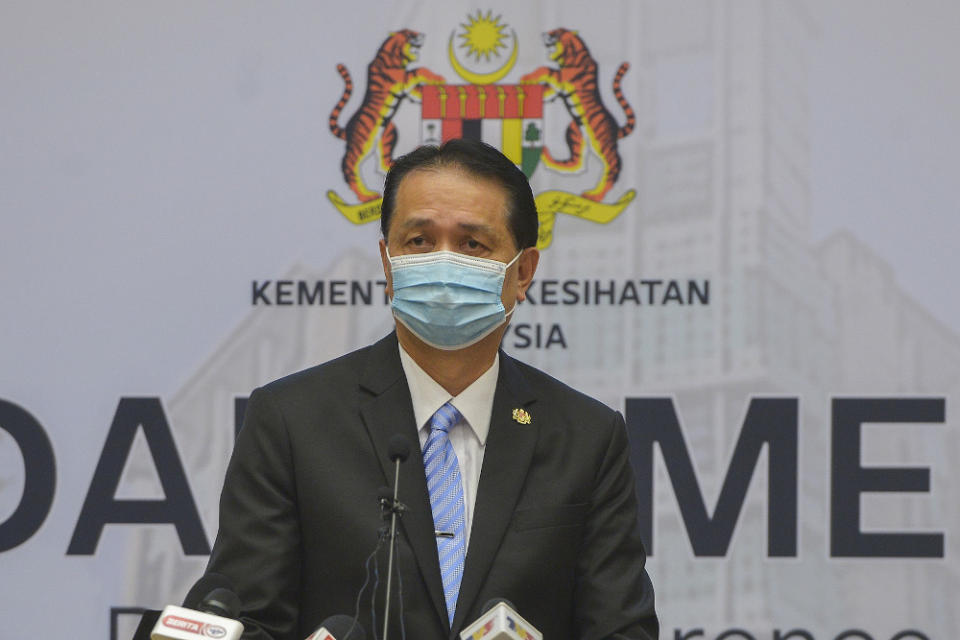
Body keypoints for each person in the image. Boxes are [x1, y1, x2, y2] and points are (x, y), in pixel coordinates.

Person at [201, 139, 658, 640]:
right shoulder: (290, 420)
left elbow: (622, 630)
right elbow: (249, 620)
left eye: (472, 245)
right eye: (419, 241)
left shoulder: (587, 437)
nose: (444, 266)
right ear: (388, 263)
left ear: (523, 272)